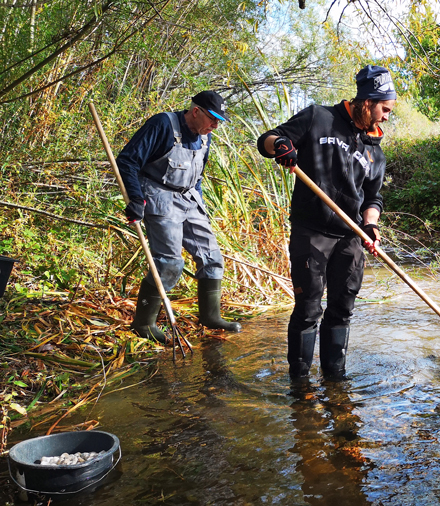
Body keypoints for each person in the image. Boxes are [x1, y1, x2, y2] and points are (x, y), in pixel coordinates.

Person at [256, 65, 396, 381]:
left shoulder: (376, 152)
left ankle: (336, 379)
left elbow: (373, 199)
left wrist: (371, 225)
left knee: (342, 310)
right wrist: (280, 146)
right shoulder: (319, 118)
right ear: (368, 100)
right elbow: (268, 139)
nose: (387, 116)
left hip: (351, 238)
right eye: (384, 109)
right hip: (311, 231)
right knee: (308, 309)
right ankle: (301, 383)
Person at [117, 90, 242, 343]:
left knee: (212, 259)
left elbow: (198, 177)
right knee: (170, 263)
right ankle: (143, 324)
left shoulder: (205, 137)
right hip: (159, 197)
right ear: (196, 111)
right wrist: (135, 198)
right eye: (213, 119)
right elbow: (127, 161)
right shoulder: (162, 124)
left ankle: (210, 316)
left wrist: (201, 207)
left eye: (220, 121)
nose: (216, 126)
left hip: (190, 199)